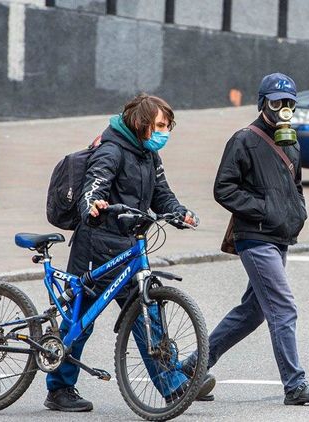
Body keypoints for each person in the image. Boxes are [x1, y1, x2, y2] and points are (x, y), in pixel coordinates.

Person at [44, 94, 214, 412]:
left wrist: (179, 213)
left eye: (168, 127)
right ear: (142, 123)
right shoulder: (111, 149)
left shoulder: (149, 157)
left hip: (128, 247)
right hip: (95, 246)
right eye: (161, 125)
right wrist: (93, 205)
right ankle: (59, 387)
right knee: (81, 320)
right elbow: (93, 187)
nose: (165, 132)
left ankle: (174, 384)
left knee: (147, 315)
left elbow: (162, 195)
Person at [183, 73, 309, 405]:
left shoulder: (291, 141)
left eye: (289, 103)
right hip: (254, 236)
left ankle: (191, 369)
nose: (283, 109)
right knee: (283, 307)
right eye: (276, 102)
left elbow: (296, 185)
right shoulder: (244, 140)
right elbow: (224, 188)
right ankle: (295, 386)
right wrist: (265, 210)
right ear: (263, 103)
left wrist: (297, 213)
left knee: (252, 311)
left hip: (278, 235)